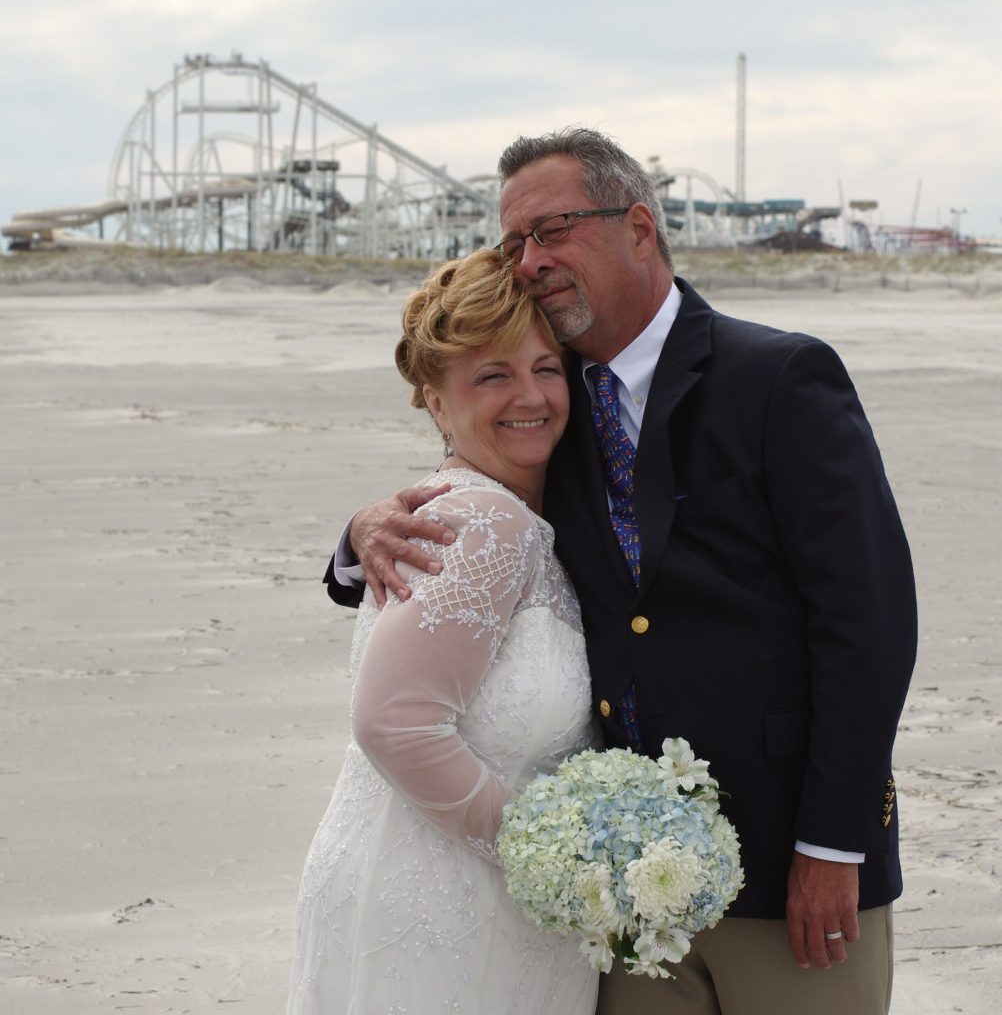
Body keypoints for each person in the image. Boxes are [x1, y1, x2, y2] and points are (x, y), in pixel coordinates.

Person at [329, 128, 917, 1015]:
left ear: (639, 226)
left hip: (794, 870)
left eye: (552, 229)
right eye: (513, 242)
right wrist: (359, 531)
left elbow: (869, 621)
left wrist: (834, 846)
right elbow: (468, 508)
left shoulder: (779, 377)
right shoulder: (550, 398)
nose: (529, 261)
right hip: (619, 904)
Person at [287, 250, 600, 1014]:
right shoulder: (485, 520)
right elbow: (394, 724)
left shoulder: (503, 512)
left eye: (545, 368)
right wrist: (543, 857)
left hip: (440, 896)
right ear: (434, 399)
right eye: (492, 376)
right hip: (446, 918)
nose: (529, 396)